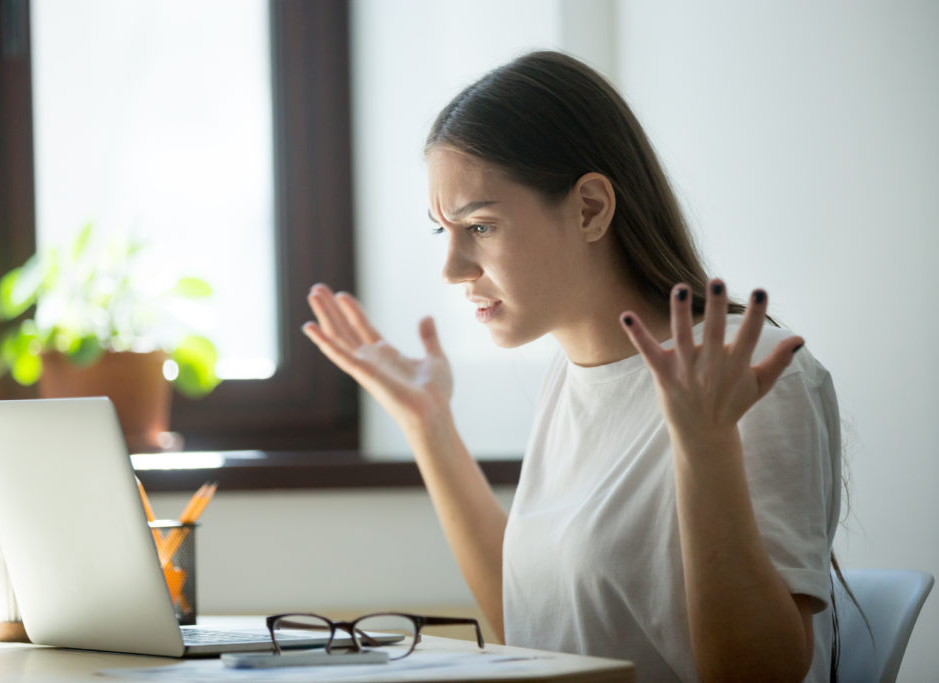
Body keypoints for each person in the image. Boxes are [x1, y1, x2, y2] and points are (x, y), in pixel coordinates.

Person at [302, 51, 841, 683]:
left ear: (589, 208)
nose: (452, 269)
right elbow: (538, 633)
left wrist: (706, 444)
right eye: (442, 232)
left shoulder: (749, 378)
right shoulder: (574, 374)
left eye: (480, 226)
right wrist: (429, 426)